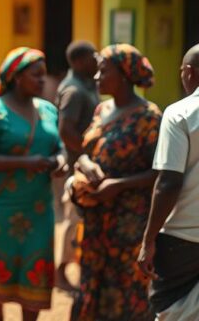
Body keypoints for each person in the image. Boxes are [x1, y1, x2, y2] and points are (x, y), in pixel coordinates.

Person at [0, 47, 65, 321]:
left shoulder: (47, 110)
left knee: (35, 266)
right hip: (3, 204)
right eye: (35, 75)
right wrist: (26, 163)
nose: (42, 81)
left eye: (43, 76)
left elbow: (58, 147)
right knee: (2, 265)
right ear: (16, 77)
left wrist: (60, 161)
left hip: (39, 208)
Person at [70, 44, 160, 321]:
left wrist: (118, 185)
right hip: (96, 221)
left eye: (103, 71)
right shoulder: (101, 110)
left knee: (126, 292)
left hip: (128, 225)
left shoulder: (149, 117)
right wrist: (86, 165)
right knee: (92, 289)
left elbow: (159, 173)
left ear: (123, 75)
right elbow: (85, 151)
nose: (96, 78)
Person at [140, 44, 199, 320]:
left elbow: (168, 183)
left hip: (181, 238)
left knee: (168, 310)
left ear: (189, 73)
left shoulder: (180, 114)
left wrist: (148, 240)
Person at [54, 40, 100, 291]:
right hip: (77, 167)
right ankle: (60, 273)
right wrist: (85, 156)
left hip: (86, 164)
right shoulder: (74, 90)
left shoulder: (87, 84)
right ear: (79, 61)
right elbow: (65, 130)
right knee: (72, 220)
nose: (97, 60)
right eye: (93, 56)